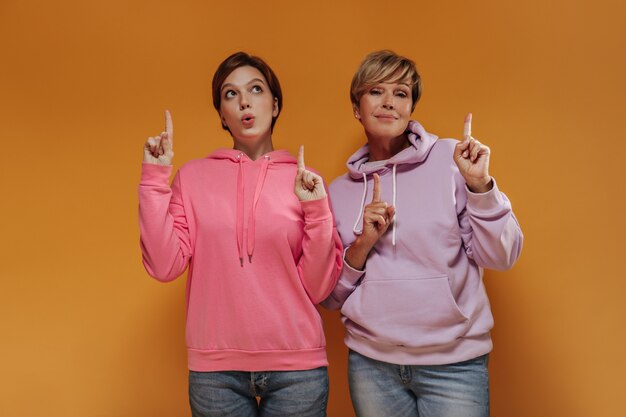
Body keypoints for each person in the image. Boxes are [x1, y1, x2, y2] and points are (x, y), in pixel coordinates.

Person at [139, 51, 342, 417]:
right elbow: (164, 265)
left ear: (275, 104)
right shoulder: (192, 177)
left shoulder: (305, 180)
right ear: (221, 114)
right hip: (216, 370)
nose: (244, 101)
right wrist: (155, 179)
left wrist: (317, 211)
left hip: (297, 369)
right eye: (230, 94)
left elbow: (319, 286)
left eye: (256, 89)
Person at [322, 50, 524, 417]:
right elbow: (331, 297)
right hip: (372, 365)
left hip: (454, 364)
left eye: (400, 93)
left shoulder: (452, 161)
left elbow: (502, 256)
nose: (388, 102)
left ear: (411, 106)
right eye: (375, 92)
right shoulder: (337, 191)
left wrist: (480, 186)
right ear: (357, 107)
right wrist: (363, 244)